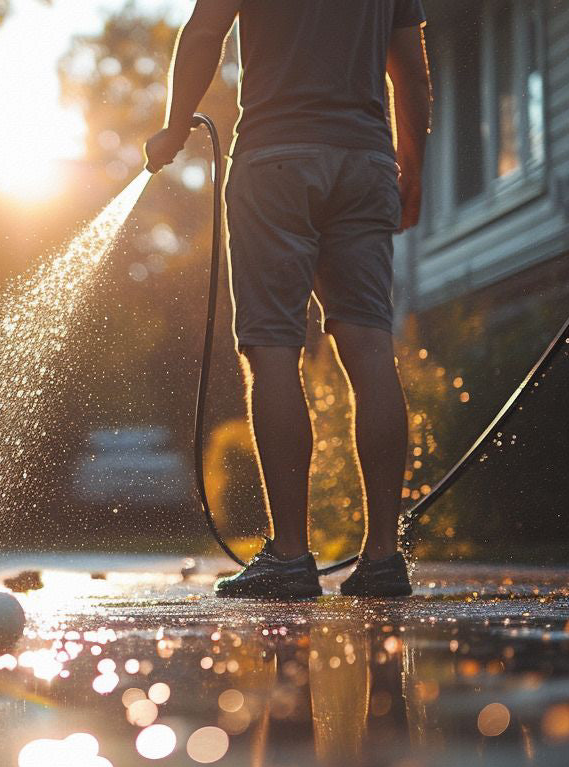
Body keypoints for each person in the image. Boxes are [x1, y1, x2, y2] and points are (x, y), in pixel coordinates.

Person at [144, 0, 431, 598]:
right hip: (365, 162)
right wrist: (411, 167)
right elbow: (409, 66)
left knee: (274, 351)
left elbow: (203, 34)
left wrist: (175, 126)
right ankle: (383, 559)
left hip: (275, 158)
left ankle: (291, 558)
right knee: (370, 348)